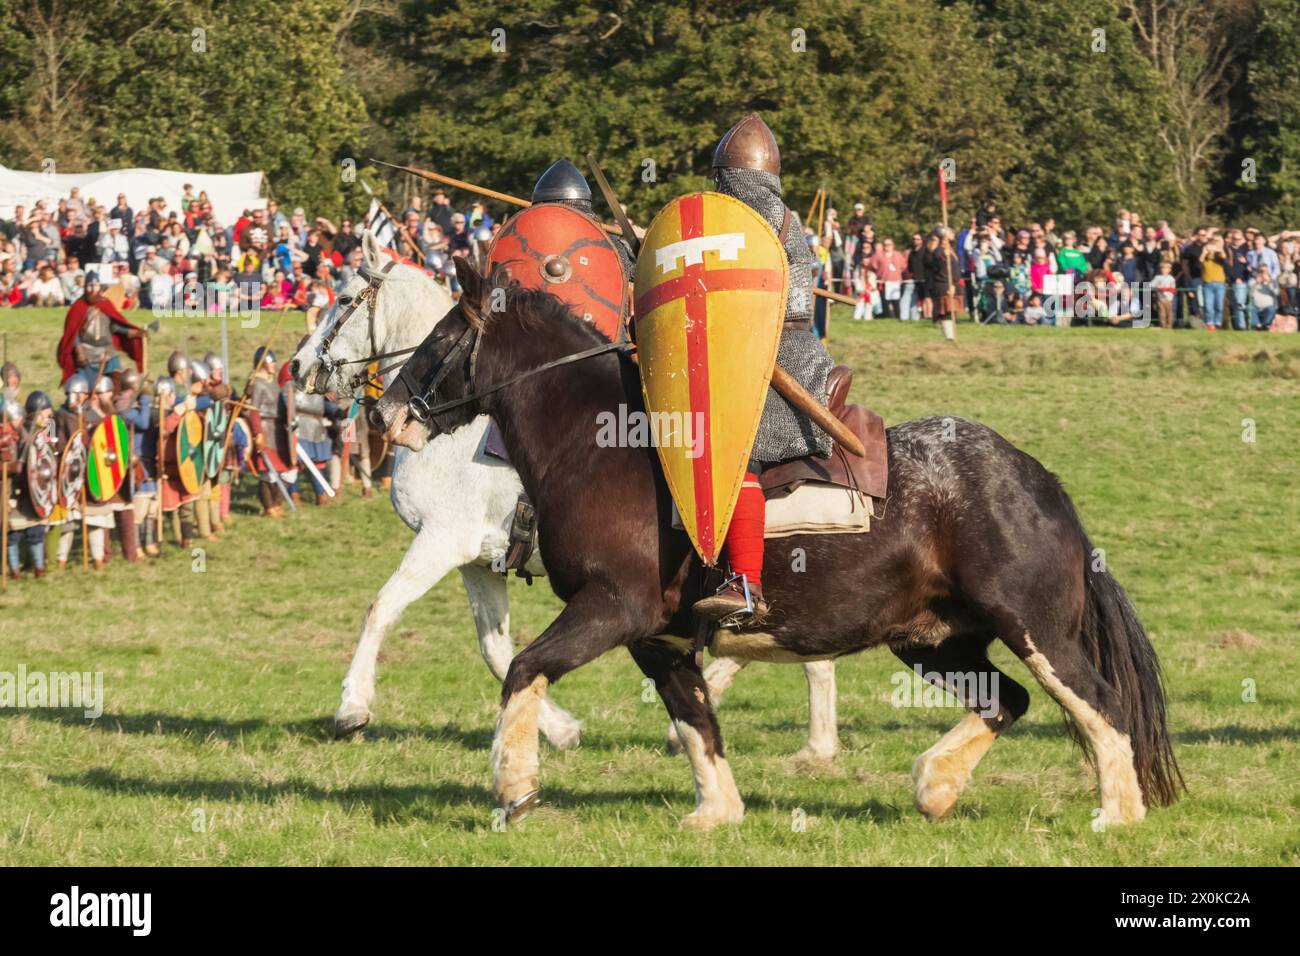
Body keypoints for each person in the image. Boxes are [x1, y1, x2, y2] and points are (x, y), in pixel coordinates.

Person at [692, 113, 835, 623]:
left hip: (775, 356)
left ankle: (746, 584)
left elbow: (725, 284)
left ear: (730, 177)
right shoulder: (779, 217)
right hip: (767, 347)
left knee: (736, 452)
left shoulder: (745, 220)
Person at [56, 272, 146, 384]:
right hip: (87, 355)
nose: (93, 289)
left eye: (96, 285)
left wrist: (133, 332)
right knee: (86, 388)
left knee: (117, 384)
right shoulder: (78, 307)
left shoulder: (106, 304)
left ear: (100, 287)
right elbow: (73, 333)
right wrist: (79, 352)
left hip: (109, 353)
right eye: (89, 285)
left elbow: (114, 326)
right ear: (84, 287)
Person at [1, 397, 48, 579]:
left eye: (20, 417)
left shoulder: (27, 434)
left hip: (29, 492)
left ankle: (39, 568)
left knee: (35, 530)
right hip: (9, 492)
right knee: (12, 535)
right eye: (15, 418)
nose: (19, 421)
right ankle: (14, 571)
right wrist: (10, 468)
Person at [246, 347, 295, 517]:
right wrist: (257, 432)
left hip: (279, 432)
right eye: (271, 361)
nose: (274, 364)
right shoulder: (258, 384)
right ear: (263, 364)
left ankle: (276, 503)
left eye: (274, 361)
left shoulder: (273, 383)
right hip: (265, 430)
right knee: (267, 473)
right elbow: (253, 410)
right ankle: (268, 507)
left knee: (286, 471)